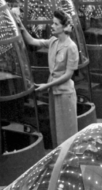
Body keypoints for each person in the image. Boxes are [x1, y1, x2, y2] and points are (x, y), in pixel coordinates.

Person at [18, 9, 80, 146]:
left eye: (55, 24)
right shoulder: (53, 41)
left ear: (64, 27)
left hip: (65, 94)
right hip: (54, 92)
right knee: (56, 131)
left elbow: (68, 75)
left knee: (67, 132)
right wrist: (21, 27)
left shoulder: (72, 47)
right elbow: (32, 41)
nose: (52, 26)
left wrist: (47, 86)